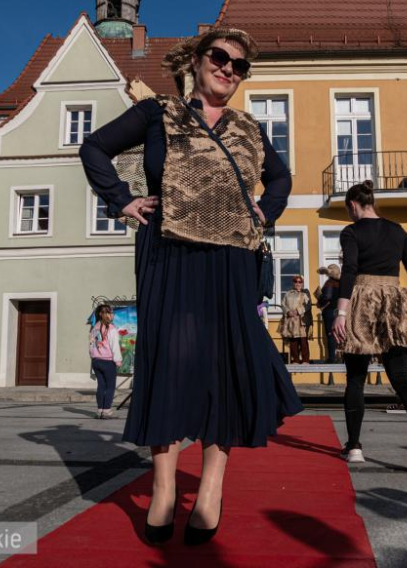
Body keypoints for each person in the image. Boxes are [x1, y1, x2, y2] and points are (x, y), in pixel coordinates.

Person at [80, 27, 302, 546]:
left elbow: (282, 179)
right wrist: (122, 200)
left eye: (239, 65)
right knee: (169, 363)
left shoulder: (249, 128)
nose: (228, 69)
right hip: (169, 253)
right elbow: (94, 148)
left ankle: (210, 489)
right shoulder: (157, 112)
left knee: (225, 366)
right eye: (220, 57)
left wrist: (264, 211)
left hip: (231, 259)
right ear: (196, 60)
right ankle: (163, 488)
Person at [332, 180, 407, 472]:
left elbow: (350, 270)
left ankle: (354, 447)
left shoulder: (351, 232)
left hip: (363, 302)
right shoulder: (397, 230)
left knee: (356, 378)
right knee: (401, 377)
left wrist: (341, 312)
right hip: (395, 302)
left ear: (353, 205)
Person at [89, 304, 123, 419]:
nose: (111, 315)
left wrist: (93, 356)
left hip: (96, 361)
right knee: (110, 386)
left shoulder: (94, 328)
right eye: (108, 312)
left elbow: (91, 345)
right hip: (108, 362)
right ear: (101, 314)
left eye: (111, 312)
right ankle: (106, 410)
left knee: (101, 386)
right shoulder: (111, 328)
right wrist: (118, 360)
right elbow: (115, 347)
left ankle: (100, 410)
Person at [280, 276, 312, 364]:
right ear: (293, 283)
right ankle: (295, 360)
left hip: (301, 321)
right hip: (291, 321)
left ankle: (305, 360)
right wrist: (288, 312)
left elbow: (308, 305)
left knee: (303, 341)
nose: (298, 283)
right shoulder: (288, 294)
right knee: (293, 341)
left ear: (302, 283)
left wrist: (298, 311)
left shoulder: (304, 293)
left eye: (300, 282)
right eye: (296, 282)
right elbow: (283, 304)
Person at [317, 264, 341, 363]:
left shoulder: (330, 283)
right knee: (340, 333)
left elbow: (327, 297)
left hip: (330, 311)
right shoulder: (342, 283)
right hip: (341, 311)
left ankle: (332, 358)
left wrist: (319, 298)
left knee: (331, 334)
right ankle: (341, 357)